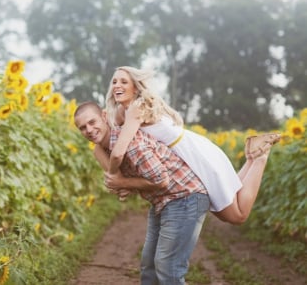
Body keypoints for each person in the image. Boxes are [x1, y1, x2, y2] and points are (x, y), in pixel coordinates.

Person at [102, 65, 281, 225]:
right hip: (185, 153)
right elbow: (107, 139)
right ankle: (252, 156)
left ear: (135, 88)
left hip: (193, 154)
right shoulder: (121, 111)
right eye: (115, 82)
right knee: (228, 207)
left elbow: (118, 153)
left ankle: (260, 157)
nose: (117, 85)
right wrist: (121, 183)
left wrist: (114, 179)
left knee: (237, 215)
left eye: (124, 82)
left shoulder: (136, 108)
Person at [74, 101, 210, 285]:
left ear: (104, 117)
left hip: (185, 197)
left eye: (92, 122)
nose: (89, 130)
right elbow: (121, 184)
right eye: (83, 128)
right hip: (163, 200)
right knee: (149, 265)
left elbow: (162, 180)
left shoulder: (131, 145)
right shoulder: (105, 149)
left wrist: (123, 183)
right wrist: (123, 186)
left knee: (168, 267)